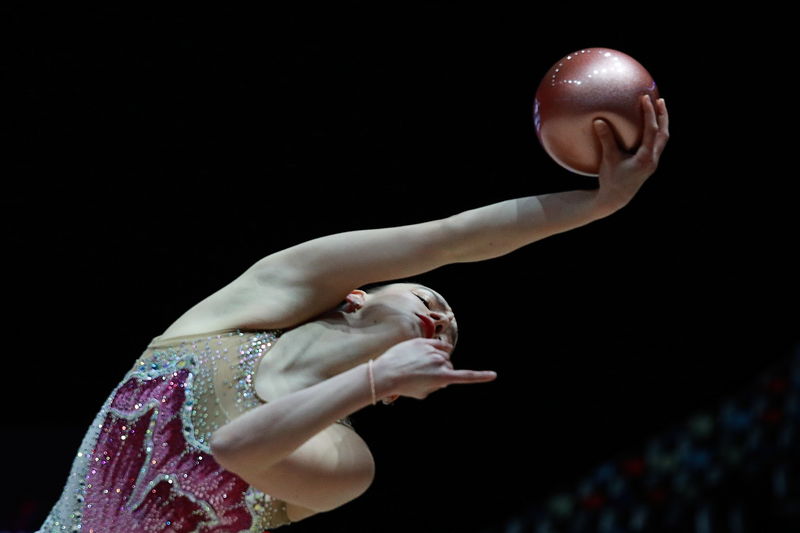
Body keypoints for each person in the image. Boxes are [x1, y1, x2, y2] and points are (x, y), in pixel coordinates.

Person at [37, 96, 669, 532]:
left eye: (449, 336)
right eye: (435, 300)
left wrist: (372, 381)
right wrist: (598, 205)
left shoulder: (348, 465)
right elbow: (451, 238)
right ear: (358, 295)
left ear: (396, 394)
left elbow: (236, 447)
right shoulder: (237, 314)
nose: (445, 323)